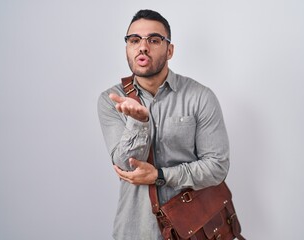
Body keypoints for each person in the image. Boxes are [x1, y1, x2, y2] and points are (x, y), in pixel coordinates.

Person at [98, 9, 230, 240]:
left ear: (169, 50)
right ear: (127, 48)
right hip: (136, 231)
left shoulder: (200, 96)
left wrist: (161, 175)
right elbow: (125, 167)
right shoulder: (111, 100)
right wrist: (139, 122)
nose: (143, 47)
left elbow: (217, 167)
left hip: (194, 230)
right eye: (134, 40)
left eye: (154, 40)